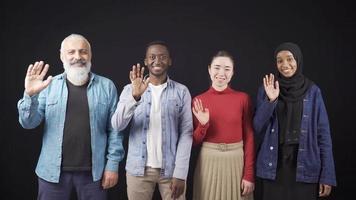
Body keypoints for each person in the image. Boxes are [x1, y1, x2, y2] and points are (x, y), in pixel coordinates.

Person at [17, 34, 124, 200]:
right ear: (61, 56)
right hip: (52, 173)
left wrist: (112, 165)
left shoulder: (107, 86)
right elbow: (29, 123)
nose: (77, 57)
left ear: (90, 55)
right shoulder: (48, 86)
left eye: (83, 52)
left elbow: (115, 130)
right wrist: (30, 95)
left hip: (94, 174)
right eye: (71, 52)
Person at [253, 42, 337, 200]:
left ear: (298, 60)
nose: (285, 64)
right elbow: (257, 126)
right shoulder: (267, 88)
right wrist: (271, 101)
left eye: (289, 59)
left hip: (304, 166)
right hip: (273, 165)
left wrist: (327, 175)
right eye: (279, 60)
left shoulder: (313, 91)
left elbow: (323, 136)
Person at [111, 41, 193, 200]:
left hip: (171, 170)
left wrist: (181, 173)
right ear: (146, 61)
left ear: (169, 61)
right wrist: (135, 97)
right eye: (152, 57)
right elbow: (117, 125)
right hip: (138, 170)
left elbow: (186, 133)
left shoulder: (181, 92)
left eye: (163, 57)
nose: (157, 61)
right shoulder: (130, 90)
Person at [192, 50, 255, 200]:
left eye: (227, 69)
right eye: (217, 67)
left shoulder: (243, 98)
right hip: (208, 161)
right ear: (209, 69)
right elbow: (194, 142)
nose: (221, 73)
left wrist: (249, 174)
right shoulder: (198, 100)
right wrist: (203, 124)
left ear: (233, 72)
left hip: (236, 161)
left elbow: (249, 137)